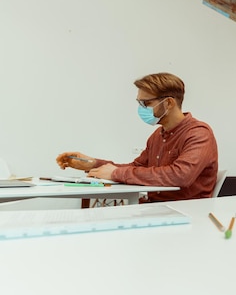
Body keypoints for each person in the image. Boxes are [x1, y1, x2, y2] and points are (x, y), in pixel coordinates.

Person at [56, 72, 218, 202]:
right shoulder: (157, 135)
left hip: (188, 213)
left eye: (145, 103)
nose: (141, 109)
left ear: (169, 103)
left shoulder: (199, 133)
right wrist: (92, 164)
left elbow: (180, 176)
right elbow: (135, 167)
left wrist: (114, 174)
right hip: (156, 208)